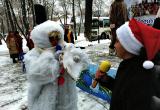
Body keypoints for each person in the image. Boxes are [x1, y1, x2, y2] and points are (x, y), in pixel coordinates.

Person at [24, 20, 90, 110]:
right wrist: (53, 60)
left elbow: (85, 64)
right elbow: (35, 76)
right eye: (51, 38)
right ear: (42, 38)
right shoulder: (34, 54)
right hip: (46, 104)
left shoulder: (66, 48)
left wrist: (74, 57)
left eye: (57, 37)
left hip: (68, 102)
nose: (55, 41)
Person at [104, 18, 160, 110]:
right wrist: (106, 80)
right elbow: (121, 91)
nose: (114, 45)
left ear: (128, 46)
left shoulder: (140, 76)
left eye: (118, 41)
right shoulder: (127, 65)